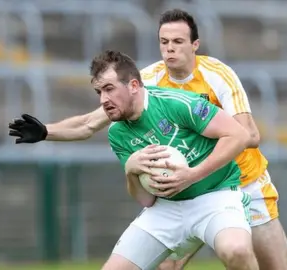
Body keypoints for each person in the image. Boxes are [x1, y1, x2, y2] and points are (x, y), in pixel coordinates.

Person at [8, 9, 287, 270]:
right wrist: (46, 131)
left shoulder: (216, 75)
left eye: (178, 41)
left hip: (239, 181)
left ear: (195, 45)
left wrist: (195, 150)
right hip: (179, 191)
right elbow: (89, 123)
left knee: (271, 265)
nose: (170, 47)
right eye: (164, 41)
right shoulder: (147, 81)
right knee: (165, 266)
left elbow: (249, 135)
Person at [95, 50, 259, 269]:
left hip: (215, 198)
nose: (103, 100)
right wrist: (130, 172)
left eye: (109, 89)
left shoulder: (176, 103)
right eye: (99, 92)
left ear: (133, 86)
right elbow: (146, 201)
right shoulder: (117, 133)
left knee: (236, 250)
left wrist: (191, 176)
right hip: (166, 208)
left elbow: (239, 135)